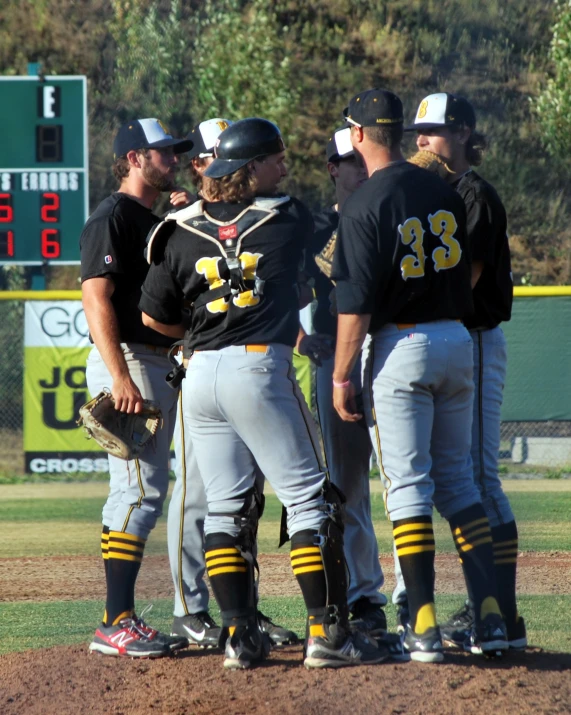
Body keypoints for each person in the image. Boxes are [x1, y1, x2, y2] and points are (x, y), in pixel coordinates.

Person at [139, 117, 387, 669]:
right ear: (248, 169)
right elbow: (337, 257)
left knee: (226, 507)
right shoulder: (290, 216)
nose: (284, 166)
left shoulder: (175, 228)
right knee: (310, 499)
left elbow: (154, 318)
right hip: (258, 368)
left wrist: (207, 331)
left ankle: (238, 638)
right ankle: (328, 634)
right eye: (275, 158)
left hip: (200, 374)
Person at [331, 88, 508, 662]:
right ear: (399, 133)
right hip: (457, 340)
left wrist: (340, 376)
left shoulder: (363, 202)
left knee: (408, 487)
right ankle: (490, 615)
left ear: (359, 136)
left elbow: (354, 307)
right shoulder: (444, 189)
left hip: (401, 342)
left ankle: (424, 625)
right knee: (459, 484)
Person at [167, 117, 299, 648]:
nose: (214, 166)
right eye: (207, 157)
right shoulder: (184, 223)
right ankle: (188, 606)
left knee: (242, 500)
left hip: (229, 367)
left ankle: (240, 610)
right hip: (201, 364)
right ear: (200, 165)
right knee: (198, 494)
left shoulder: (248, 219)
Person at [405, 92, 526, 650]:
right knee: (445, 478)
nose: (422, 140)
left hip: (471, 338)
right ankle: (485, 608)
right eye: (419, 132)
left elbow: (468, 277)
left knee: (478, 476)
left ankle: (501, 613)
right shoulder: (428, 191)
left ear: (464, 133)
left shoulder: (474, 193)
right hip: (445, 341)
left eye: (434, 131)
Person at [81, 117, 193, 658]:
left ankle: (119, 618)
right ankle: (115, 621)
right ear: (133, 158)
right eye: (162, 152)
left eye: (173, 152)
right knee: (139, 491)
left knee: (145, 488)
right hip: (127, 360)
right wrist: (120, 375)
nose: (172, 159)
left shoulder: (149, 217)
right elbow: (96, 298)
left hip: (153, 359)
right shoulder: (112, 217)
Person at [308, 127, 388, 631]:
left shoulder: (390, 211)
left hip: (390, 350)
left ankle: (411, 596)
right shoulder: (313, 228)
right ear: (334, 169)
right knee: (347, 484)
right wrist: (302, 339)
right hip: (334, 360)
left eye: (364, 159)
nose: (360, 168)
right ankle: (362, 596)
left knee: (405, 481)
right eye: (349, 162)